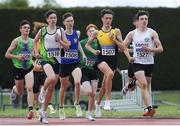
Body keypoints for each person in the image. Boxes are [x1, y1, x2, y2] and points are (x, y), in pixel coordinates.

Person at [123, 10, 163, 117]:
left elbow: (160, 49)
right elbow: (123, 47)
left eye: (146, 19)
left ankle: (132, 83)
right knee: (144, 85)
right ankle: (149, 109)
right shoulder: (132, 34)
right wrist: (129, 56)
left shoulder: (152, 33)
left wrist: (149, 49)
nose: (144, 21)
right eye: (142, 19)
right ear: (137, 21)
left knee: (144, 87)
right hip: (137, 62)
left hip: (149, 63)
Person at [85, 9, 125, 117]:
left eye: (110, 18)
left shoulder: (116, 31)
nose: (108, 20)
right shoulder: (97, 32)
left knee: (104, 84)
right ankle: (108, 101)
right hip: (101, 59)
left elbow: (123, 47)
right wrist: (95, 51)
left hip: (112, 60)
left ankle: (98, 104)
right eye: (106, 18)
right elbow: (87, 45)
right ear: (102, 19)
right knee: (110, 74)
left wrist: (115, 40)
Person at [33, 10, 69, 124]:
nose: (54, 19)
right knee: (51, 77)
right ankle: (42, 91)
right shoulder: (43, 30)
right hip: (45, 58)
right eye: (51, 18)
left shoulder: (60, 30)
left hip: (57, 60)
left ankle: (43, 113)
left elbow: (67, 46)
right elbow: (35, 41)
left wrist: (60, 41)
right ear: (47, 20)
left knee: (52, 88)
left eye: (55, 17)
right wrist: (36, 52)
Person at [59, 12, 86, 120]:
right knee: (63, 87)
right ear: (64, 23)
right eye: (68, 21)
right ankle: (61, 107)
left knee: (78, 82)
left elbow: (78, 43)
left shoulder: (77, 33)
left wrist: (83, 54)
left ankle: (77, 103)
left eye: (72, 21)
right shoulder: (61, 34)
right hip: (64, 64)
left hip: (75, 62)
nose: (70, 23)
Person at [5, 20, 34, 119]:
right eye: (25, 27)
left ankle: (30, 110)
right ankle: (14, 89)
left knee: (30, 88)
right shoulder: (16, 41)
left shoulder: (32, 41)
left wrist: (37, 55)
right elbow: (7, 54)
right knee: (20, 92)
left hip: (29, 67)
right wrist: (17, 57)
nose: (27, 29)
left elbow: (33, 53)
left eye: (28, 28)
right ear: (20, 29)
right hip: (18, 68)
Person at [32, 21, 56, 119]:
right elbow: (30, 57)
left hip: (44, 69)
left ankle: (47, 105)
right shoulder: (35, 43)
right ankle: (37, 109)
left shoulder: (48, 42)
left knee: (48, 84)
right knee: (35, 92)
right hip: (34, 70)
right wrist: (35, 62)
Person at [80, 24, 99, 121]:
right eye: (90, 31)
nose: (92, 32)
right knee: (88, 92)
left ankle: (89, 113)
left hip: (94, 70)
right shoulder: (83, 43)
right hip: (84, 69)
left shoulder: (98, 43)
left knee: (93, 94)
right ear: (87, 33)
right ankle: (80, 87)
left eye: (94, 31)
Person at [121, 14, 138, 95]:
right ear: (134, 23)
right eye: (138, 20)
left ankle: (148, 106)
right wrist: (132, 50)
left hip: (146, 62)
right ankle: (127, 87)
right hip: (133, 61)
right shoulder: (132, 34)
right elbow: (122, 48)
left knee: (144, 82)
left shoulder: (149, 33)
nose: (142, 22)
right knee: (132, 88)